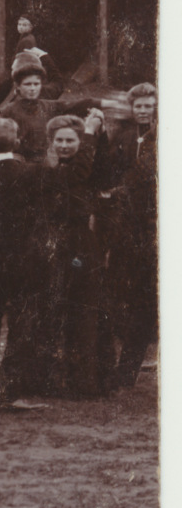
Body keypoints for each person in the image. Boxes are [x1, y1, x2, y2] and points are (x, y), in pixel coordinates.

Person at [0, 118, 49, 405]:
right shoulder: (32, 174)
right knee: (21, 322)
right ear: (17, 142)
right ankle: (11, 387)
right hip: (25, 260)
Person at [43, 111, 112, 398]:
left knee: (85, 309)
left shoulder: (80, 167)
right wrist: (90, 134)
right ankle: (67, 376)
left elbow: (100, 166)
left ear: (80, 143)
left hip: (81, 241)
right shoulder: (55, 169)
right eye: (59, 140)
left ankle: (86, 380)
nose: (64, 145)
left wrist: (98, 135)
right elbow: (80, 171)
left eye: (70, 140)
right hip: (60, 241)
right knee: (64, 309)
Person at [108, 83, 156, 388]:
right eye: (138, 106)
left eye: (148, 106)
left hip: (152, 219)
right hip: (125, 217)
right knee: (122, 281)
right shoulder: (123, 135)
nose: (143, 111)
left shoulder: (161, 135)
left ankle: (141, 355)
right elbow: (112, 168)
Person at [0, 52, 96, 163]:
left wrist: (103, 103)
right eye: (28, 84)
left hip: (42, 162)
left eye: (36, 84)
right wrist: (6, 156)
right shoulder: (10, 108)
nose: (32, 88)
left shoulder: (46, 103)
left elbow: (73, 104)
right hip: (20, 163)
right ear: (18, 85)